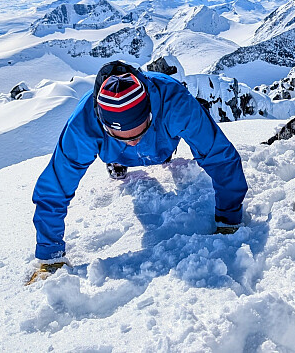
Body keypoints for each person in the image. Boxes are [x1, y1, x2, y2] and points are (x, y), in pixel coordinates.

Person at [28, 61, 248, 284]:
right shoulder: (84, 124)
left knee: (160, 150)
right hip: (116, 153)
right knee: (122, 157)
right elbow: (55, 188)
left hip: (160, 143)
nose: (133, 142)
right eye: (124, 137)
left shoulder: (175, 101)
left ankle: (158, 148)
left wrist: (229, 219)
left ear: (151, 112)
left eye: (139, 132)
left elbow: (220, 157)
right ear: (103, 124)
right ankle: (118, 159)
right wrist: (49, 256)